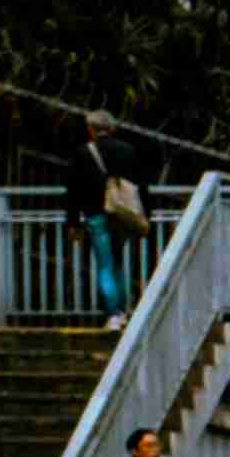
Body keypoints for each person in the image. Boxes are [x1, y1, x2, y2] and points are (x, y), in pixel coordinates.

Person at [82, 115, 152, 324]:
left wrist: (73, 223)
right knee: (118, 262)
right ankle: (122, 312)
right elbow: (142, 186)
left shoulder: (84, 152)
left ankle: (113, 314)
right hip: (122, 215)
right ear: (112, 128)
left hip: (96, 214)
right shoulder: (127, 150)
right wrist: (147, 216)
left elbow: (75, 190)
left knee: (105, 265)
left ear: (91, 129)